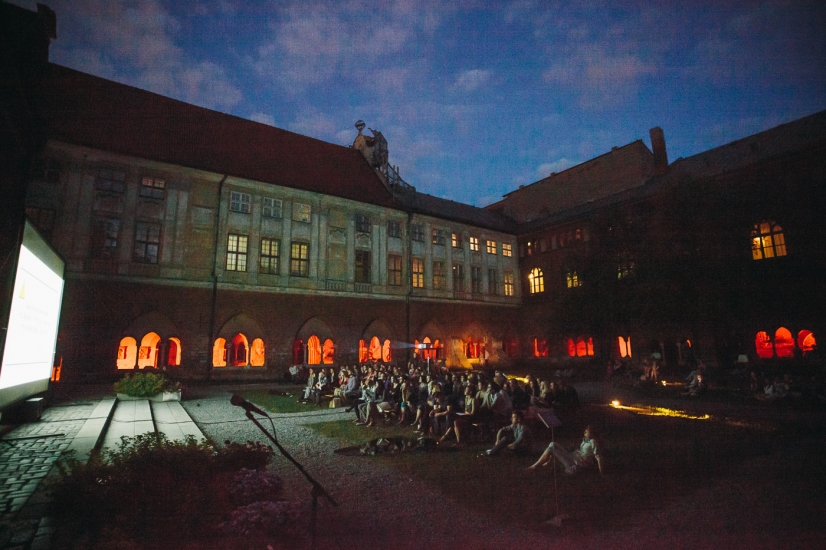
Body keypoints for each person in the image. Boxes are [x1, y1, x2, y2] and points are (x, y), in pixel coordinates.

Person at [527, 425, 604, 476]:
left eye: (587, 431)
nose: (585, 432)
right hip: (572, 456)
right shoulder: (586, 439)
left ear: (592, 432)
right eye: (585, 430)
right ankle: (547, 463)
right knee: (552, 443)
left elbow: (598, 457)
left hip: (576, 463)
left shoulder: (594, 441)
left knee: (551, 449)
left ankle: (534, 467)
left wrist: (601, 473)